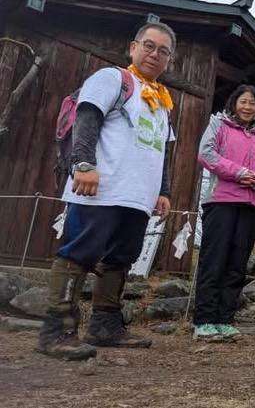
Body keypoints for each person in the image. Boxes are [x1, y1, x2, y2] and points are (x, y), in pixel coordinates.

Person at [37, 22, 176, 360]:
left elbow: (162, 150)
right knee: (79, 251)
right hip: (100, 187)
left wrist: (163, 190)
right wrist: (83, 164)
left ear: (169, 60)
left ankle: (105, 326)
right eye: (149, 45)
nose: (154, 54)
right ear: (133, 47)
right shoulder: (113, 78)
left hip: (138, 197)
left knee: (122, 257)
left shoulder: (162, 101)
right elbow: (87, 115)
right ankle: (57, 331)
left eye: (163, 51)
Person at [194, 84, 255, 340]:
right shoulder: (219, 125)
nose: (248, 107)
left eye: (253, 103)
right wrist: (239, 173)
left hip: (253, 205)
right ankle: (204, 321)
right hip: (222, 201)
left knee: (237, 265)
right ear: (234, 103)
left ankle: (225, 319)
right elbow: (206, 154)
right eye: (243, 101)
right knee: (214, 260)